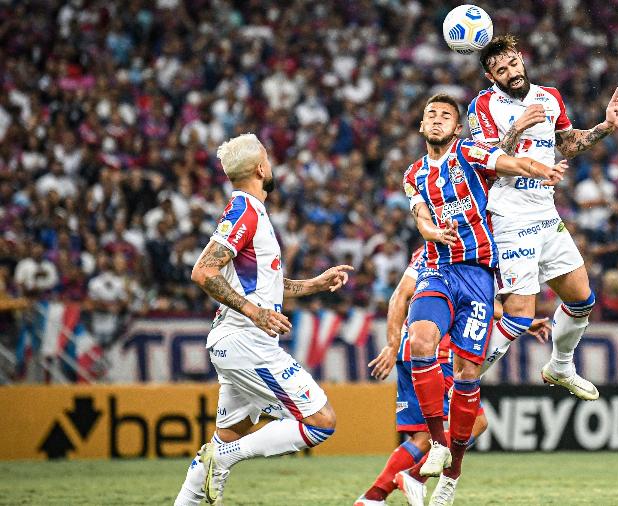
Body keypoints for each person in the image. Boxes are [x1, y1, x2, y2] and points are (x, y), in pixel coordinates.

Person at [173, 133, 353, 506]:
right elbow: (203, 272)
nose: (270, 165)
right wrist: (254, 313)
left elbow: (267, 287)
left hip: (235, 341)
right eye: (268, 159)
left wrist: (314, 285)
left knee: (228, 433)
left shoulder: (253, 212)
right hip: (245, 341)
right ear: (260, 168)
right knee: (321, 421)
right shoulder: (244, 211)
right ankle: (221, 460)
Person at [403, 93, 566, 505]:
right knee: (420, 342)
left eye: (445, 116)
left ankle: (452, 474)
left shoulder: (469, 152)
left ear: (457, 128)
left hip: (477, 276)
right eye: (430, 115)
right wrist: (430, 233)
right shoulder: (413, 174)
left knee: (466, 376)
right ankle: (438, 444)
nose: (437, 120)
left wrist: (540, 170)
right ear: (422, 126)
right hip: (437, 269)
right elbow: (421, 215)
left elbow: (510, 163)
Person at [468, 35, 618, 399]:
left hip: (545, 212)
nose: (510, 72)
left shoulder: (550, 96)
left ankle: (560, 367)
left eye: (513, 64)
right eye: (500, 70)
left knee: (582, 299)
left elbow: (567, 144)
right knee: (517, 316)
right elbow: (486, 161)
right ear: (490, 77)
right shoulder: (482, 105)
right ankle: (461, 382)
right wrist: (518, 127)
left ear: (521, 60)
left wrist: (606, 126)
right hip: (509, 216)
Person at [357, 246, 550, 506]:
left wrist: (393, 345)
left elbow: (404, 295)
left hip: (411, 347)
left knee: (423, 437)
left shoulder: (428, 250)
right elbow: (405, 295)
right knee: (476, 422)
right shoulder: (471, 247)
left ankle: (372, 497)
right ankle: (414, 477)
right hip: (438, 352)